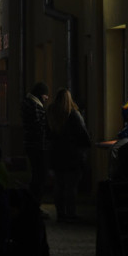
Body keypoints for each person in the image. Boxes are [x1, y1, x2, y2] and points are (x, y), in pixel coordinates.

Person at [46, 88, 90, 222]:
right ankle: (70, 213)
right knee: (71, 186)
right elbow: (84, 136)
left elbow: (48, 135)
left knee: (59, 185)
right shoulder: (74, 115)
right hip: (73, 156)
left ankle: (60, 212)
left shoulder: (52, 115)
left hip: (56, 156)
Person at [20, 82, 50, 210]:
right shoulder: (35, 106)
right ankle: (34, 205)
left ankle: (32, 204)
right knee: (40, 177)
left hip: (31, 144)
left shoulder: (27, 103)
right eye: (45, 95)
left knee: (36, 175)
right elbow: (39, 127)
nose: (46, 98)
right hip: (38, 146)